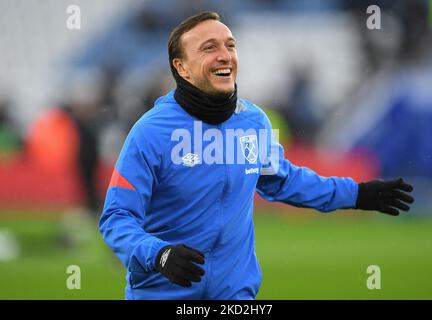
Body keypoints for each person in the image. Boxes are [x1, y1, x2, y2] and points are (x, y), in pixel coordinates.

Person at [99, 11, 414, 300]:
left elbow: (283, 181)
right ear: (181, 68)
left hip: (236, 298)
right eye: (209, 48)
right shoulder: (150, 132)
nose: (225, 56)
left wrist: (357, 194)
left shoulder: (253, 121)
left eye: (230, 45)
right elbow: (116, 218)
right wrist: (159, 255)